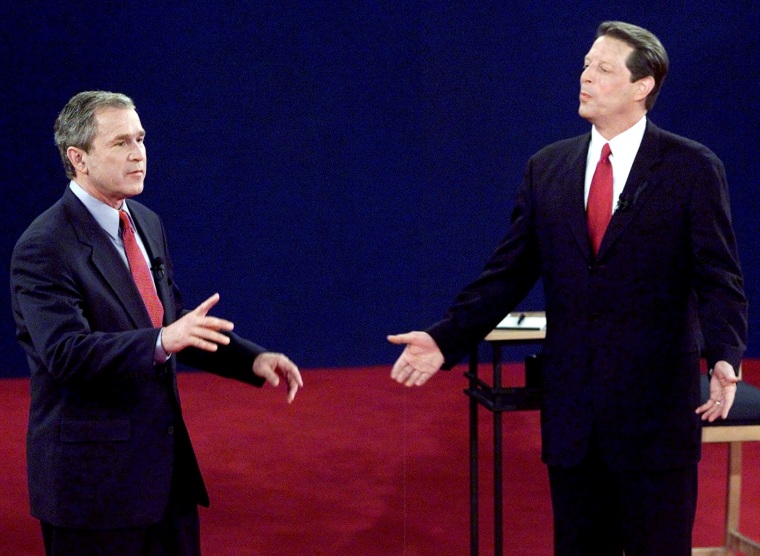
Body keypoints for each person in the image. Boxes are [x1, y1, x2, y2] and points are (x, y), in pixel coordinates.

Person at [388, 21, 747, 556]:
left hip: (654, 418)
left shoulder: (691, 167)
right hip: (574, 419)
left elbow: (718, 274)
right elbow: (506, 273)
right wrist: (446, 339)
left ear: (642, 85)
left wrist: (725, 355)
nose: (585, 77)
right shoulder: (548, 168)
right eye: (585, 64)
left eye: (603, 69)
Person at [10, 91, 304, 556]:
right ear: (78, 158)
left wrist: (252, 359)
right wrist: (165, 337)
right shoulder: (44, 246)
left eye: (141, 138)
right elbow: (66, 353)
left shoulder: (145, 222)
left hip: (165, 478)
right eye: (121, 142)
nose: (138, 152)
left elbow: (173, 325)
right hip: (93, 487)